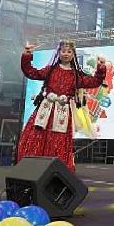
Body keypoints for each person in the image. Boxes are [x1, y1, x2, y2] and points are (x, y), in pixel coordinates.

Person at [17, 40, 106, 172]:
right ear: (58, 53)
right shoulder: (50, 70)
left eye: (69, 51)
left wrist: (100, 66)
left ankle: (56, 171)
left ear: (73, 54)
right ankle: (32, 168)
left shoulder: (76, 75)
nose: (65, 54)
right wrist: (27, 55)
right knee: (36, 137)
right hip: (45, 111)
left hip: (62, 113)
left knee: (58, 141)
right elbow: (31, 72)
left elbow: (94, 82)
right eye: (63, 51)